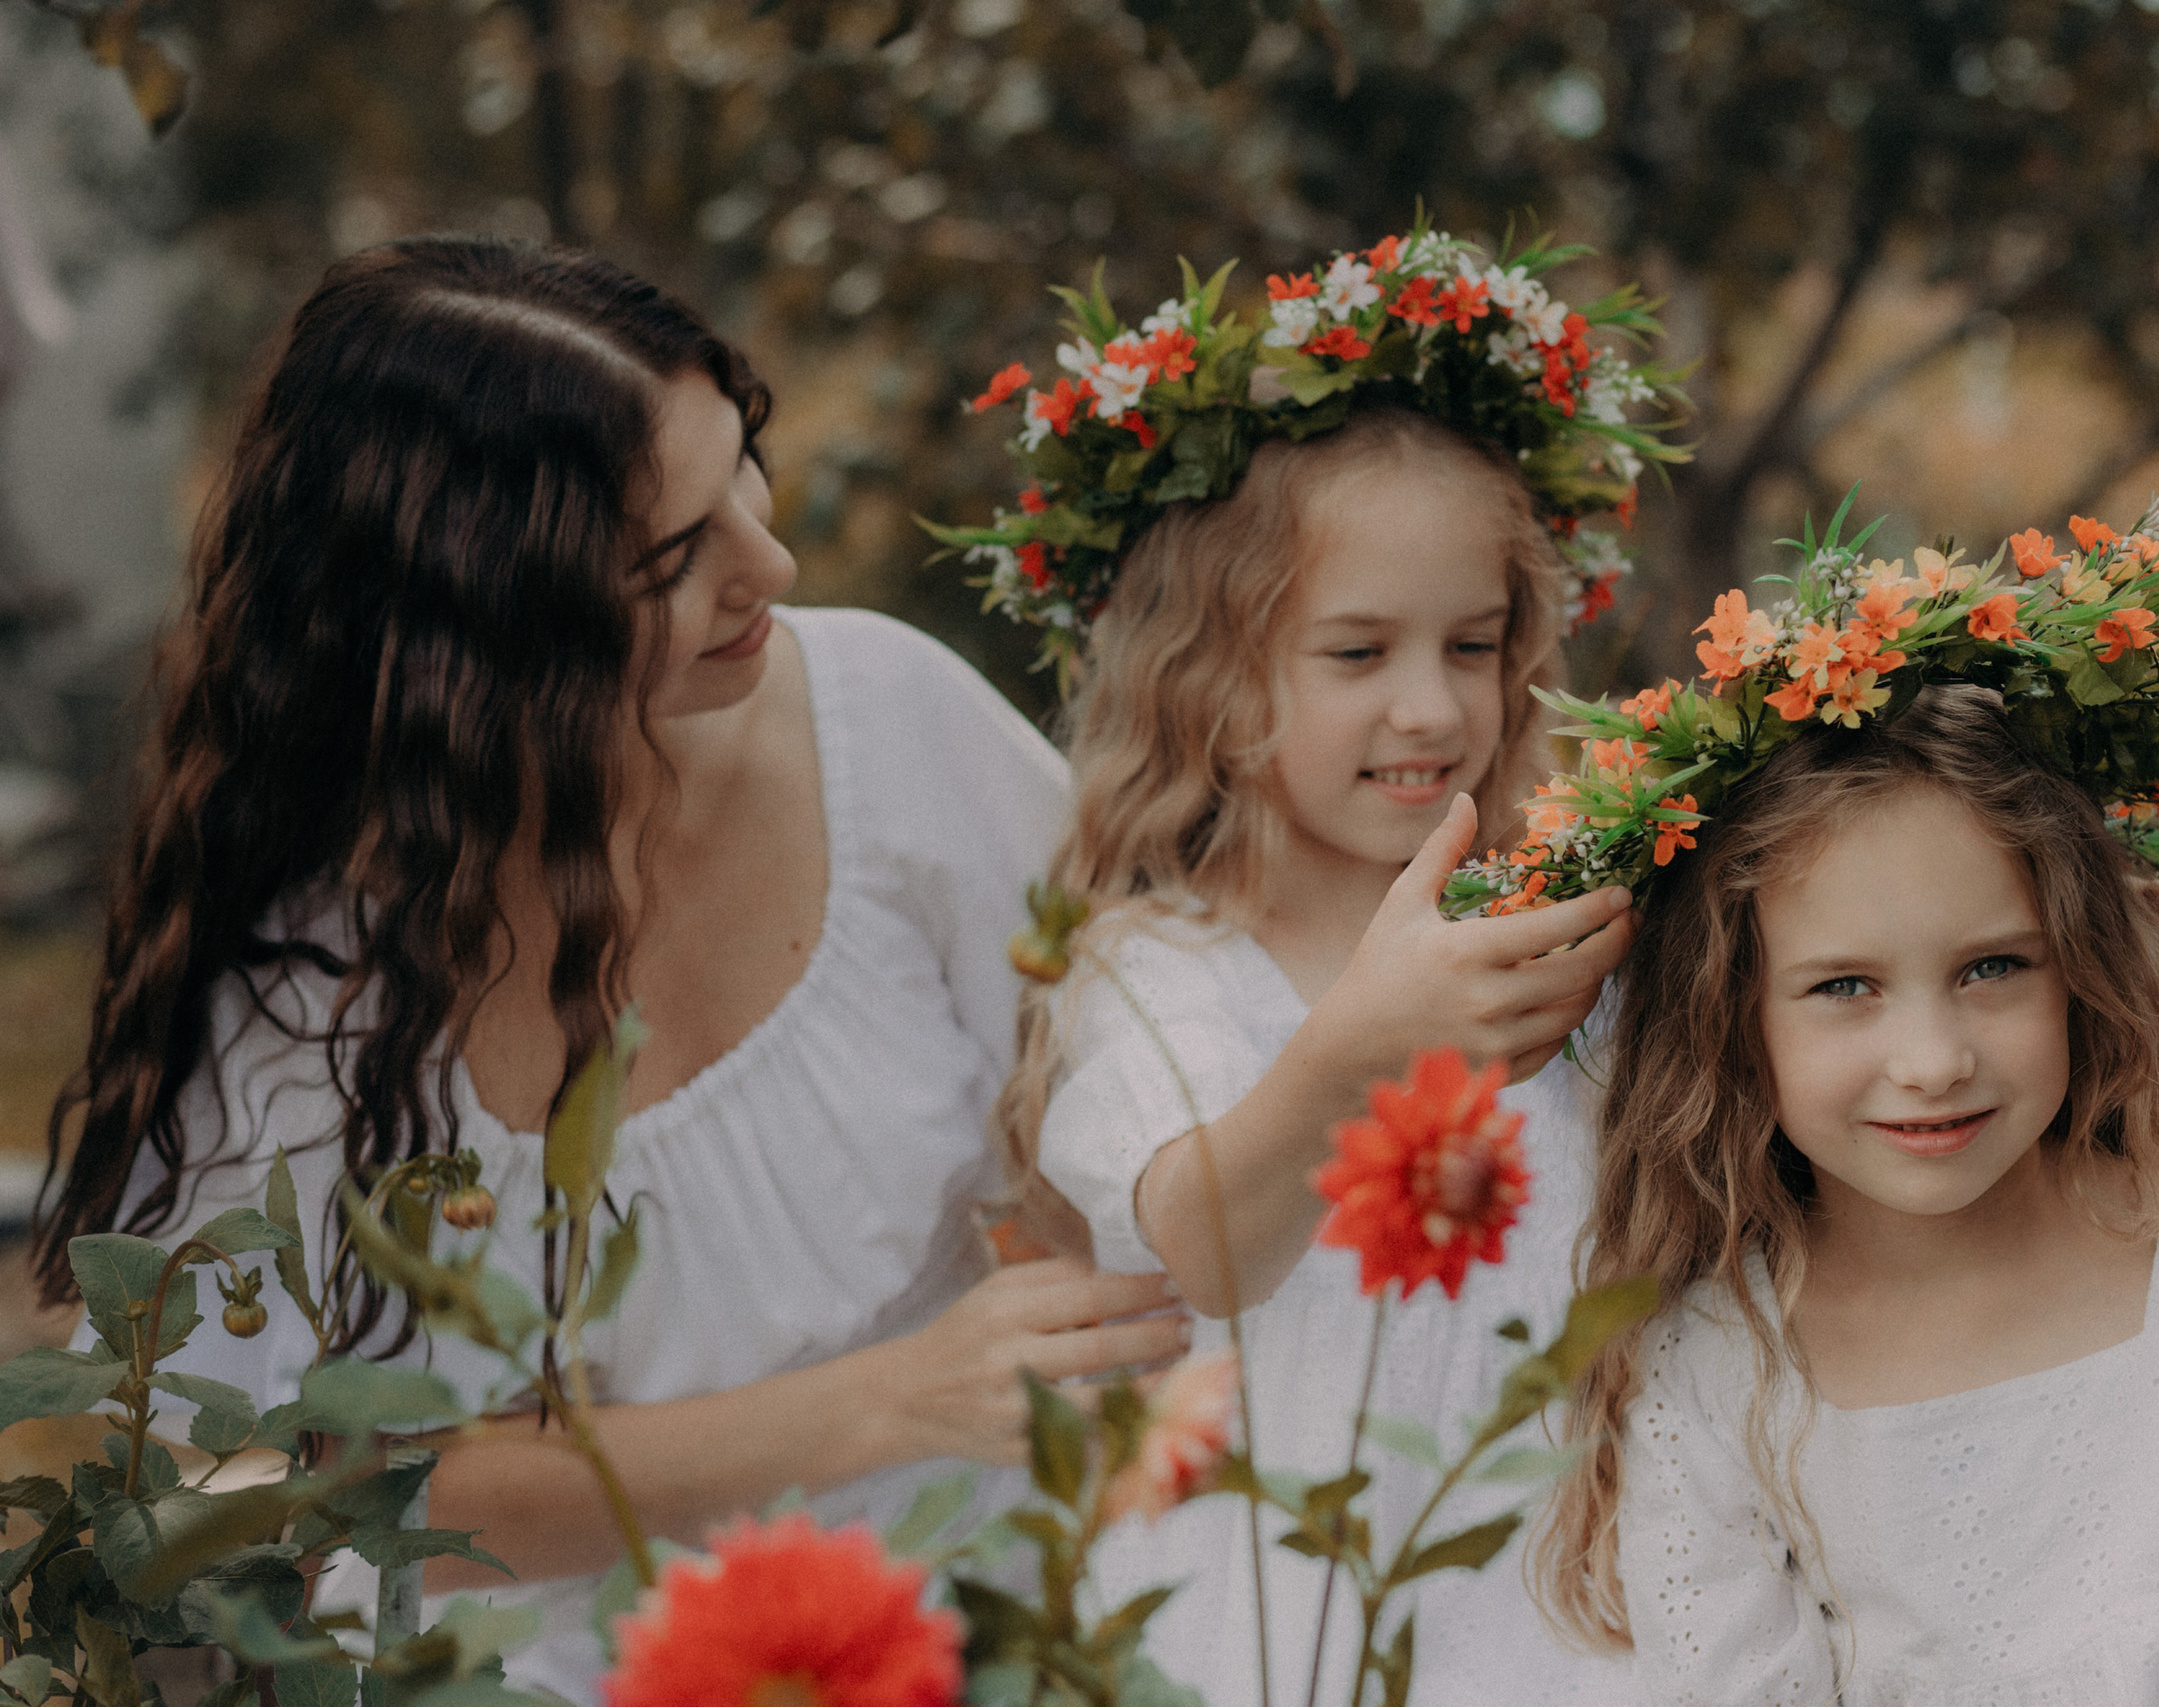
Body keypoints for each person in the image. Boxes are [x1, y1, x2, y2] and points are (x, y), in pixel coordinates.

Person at [33, 236, 1186, 1703]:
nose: (768, 563)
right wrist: (882, 1400)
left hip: (985, 1618)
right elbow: (301, 1492)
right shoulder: (304, 977)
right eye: (669, 554)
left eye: (743, 471)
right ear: (481, 629)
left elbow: (1151, 1121)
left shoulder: (892, 722)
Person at [1493, 508, 2159, 1705]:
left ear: (2080, 968)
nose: (1934, 1059)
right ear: (1733, 1021)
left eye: (1992, 967)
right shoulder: (1722, 1370)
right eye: (1845, 987)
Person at [951, 227, 1679, 1706]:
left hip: (1570, 1588)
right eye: (1357, 655)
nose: (1433, 705)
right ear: (1211, 680)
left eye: (1472, 645)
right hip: (1284, 1612)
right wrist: (1365, 1039)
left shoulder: (1552, 920)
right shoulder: (1162, 966)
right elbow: (1207, 1240)